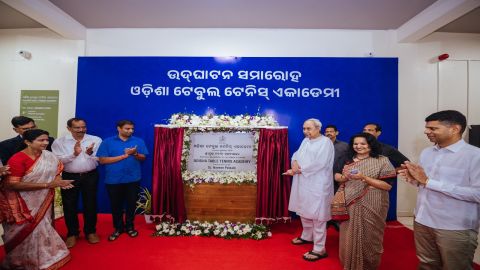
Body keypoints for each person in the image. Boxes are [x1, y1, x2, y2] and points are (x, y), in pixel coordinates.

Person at [398, 110, 479, 270]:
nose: (426, 132)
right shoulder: (427, 153)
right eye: (427, 128)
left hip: (454, 226)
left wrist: (428, 181)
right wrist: (414, 180)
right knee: (427, 264)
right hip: (422, 221)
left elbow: (477, 194)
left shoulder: (474, 156)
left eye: (433, 128)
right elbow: (424, 184)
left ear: (455, 129)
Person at [0, 129, 74, 269]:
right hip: (22, 203)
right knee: (25, 231)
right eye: (41, 140)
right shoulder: (17, 159)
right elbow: (11, 184)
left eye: (46, 140)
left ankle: (47, 257)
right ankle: (24, 261)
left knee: (43, 227)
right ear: (27, 142)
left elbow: (57, 170)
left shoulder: (49, 156)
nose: (45, 142)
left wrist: (58, 182)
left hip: (43, 200)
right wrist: (48, 184)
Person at [334, 132, 396, 269]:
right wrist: (344, 177)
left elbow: (387, 185)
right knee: (347, 236)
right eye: (355, 144)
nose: (358, 146)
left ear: (371, 145)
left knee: (371, 237)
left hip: (374, 202)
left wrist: (364, 178)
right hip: (349, 202)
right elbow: (337, 176)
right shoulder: (347, 159)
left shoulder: (382, 160)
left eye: (363, 143)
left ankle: (369, 266)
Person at [284, 118, 334, 262]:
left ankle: (319, 248)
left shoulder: (325, 142)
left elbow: (320, 163)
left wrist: (299, 170)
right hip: (303, 181)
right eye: (304, 129)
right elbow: (296, 155)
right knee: (303, 210)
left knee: (318, 216)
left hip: (318, 183)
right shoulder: (306, 141)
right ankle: (307, 236)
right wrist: (294, 163)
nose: (306, 132)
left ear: (318, 128)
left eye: (309, 129)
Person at [52, 117, 102, 248]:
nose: (81, 130)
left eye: (83, 127)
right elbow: (57, 161)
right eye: (77, 127)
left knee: (90, 204)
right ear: (69, 128)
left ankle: (90, 232)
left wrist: (90, 153)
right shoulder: (60, 142)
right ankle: (72, 234)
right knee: (69, 205)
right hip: (69, 176)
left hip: (90, 175)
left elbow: (101, 158)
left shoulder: (95, 139)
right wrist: (74, 154)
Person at [97, 120, 148, 241]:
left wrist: (135, 153)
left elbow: (143, 158)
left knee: (131, 205)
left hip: (133, 179)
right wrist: (124, 156)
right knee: (116, 206)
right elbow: (102, 161)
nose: (130, 131)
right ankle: (118, 228)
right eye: (127, 128)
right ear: (118, 129)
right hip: (113, 180)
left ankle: (130, 227)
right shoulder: (107, 142)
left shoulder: (138, 141)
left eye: (132, 129)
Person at [363, 123, 409, 220]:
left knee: (375, 217)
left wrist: (389, 173)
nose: (366, 132)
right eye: (365, 130)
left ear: (378, 133)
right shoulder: (356, 148)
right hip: (359, 187)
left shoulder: (387, 149)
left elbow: (406, 164)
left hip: (378, 188)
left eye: (370, 130)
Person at [324, 124, 349, 231]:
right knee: (324, 200)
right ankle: (325, 220)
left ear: (336, 133)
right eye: (327, 131)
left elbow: (349, 160)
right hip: (322, 178)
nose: (329, 133)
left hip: (338, 178)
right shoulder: (321, 145)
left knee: (337, 200)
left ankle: (336, 220)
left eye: (331, 131)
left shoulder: (345, 146)